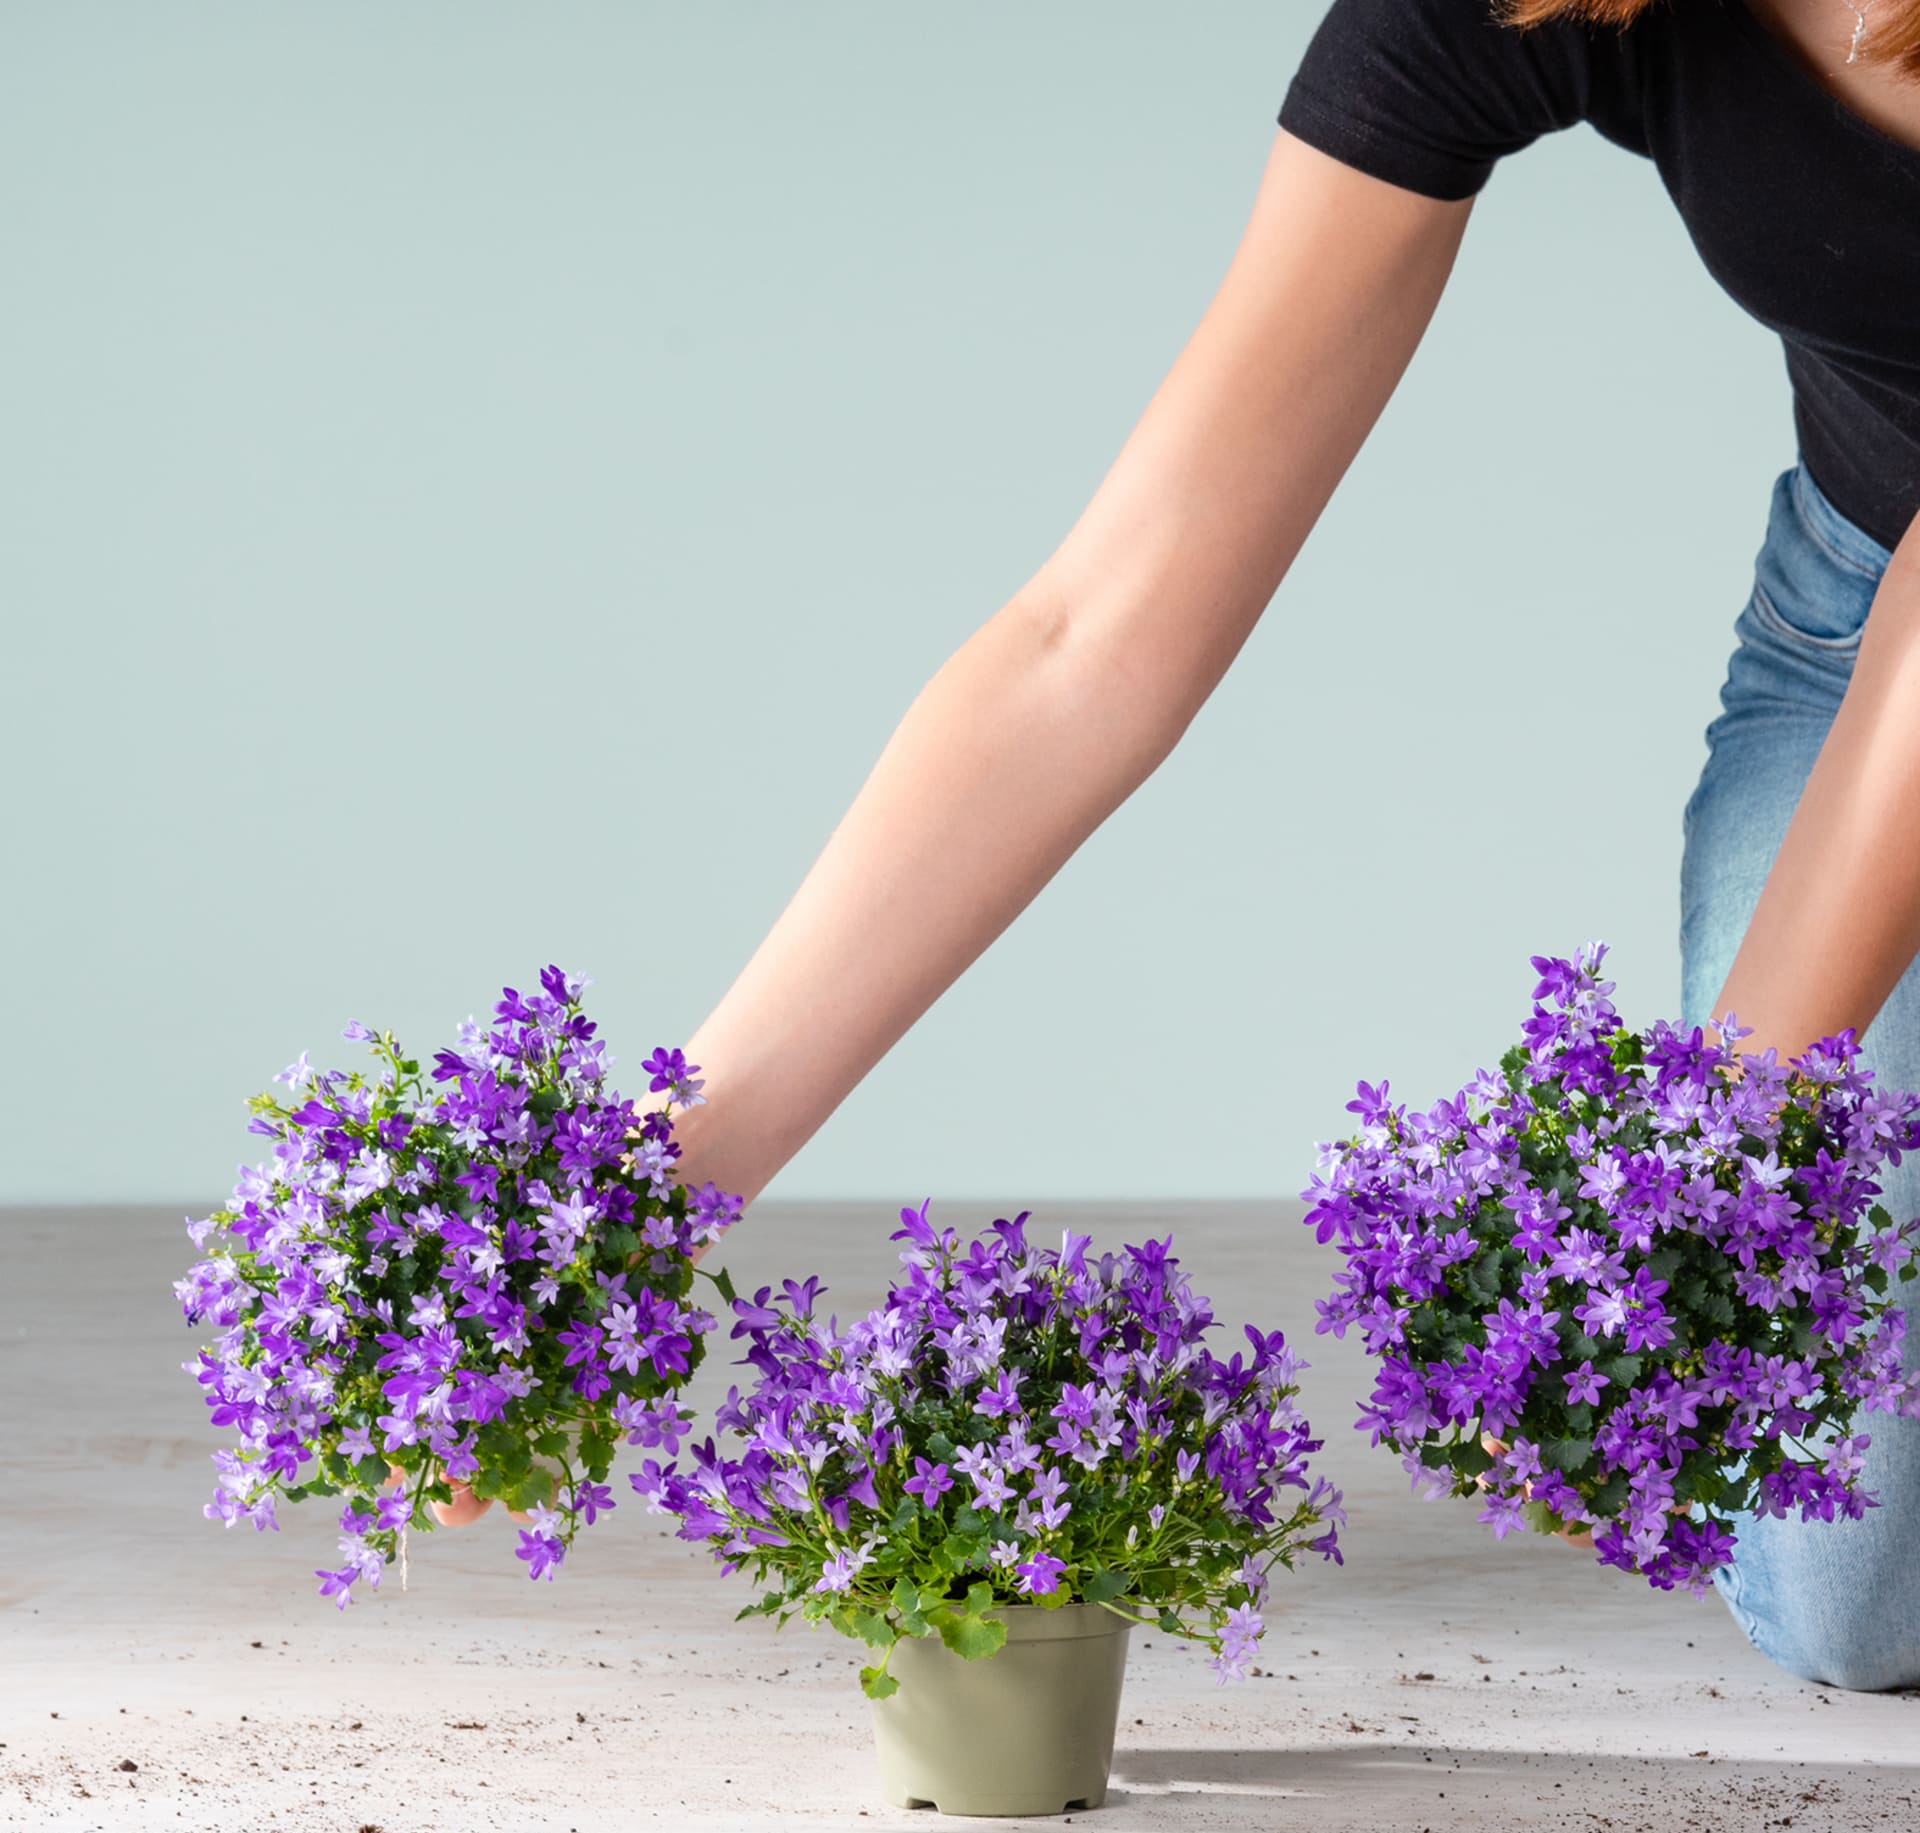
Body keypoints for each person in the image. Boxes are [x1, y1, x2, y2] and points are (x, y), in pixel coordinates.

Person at [464, 0, 1920, 1688]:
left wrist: (1693, 1180)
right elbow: (1095, 634)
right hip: (1848, 629)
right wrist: (625, 1214)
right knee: (1853, 1594)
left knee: (1752, 1338)